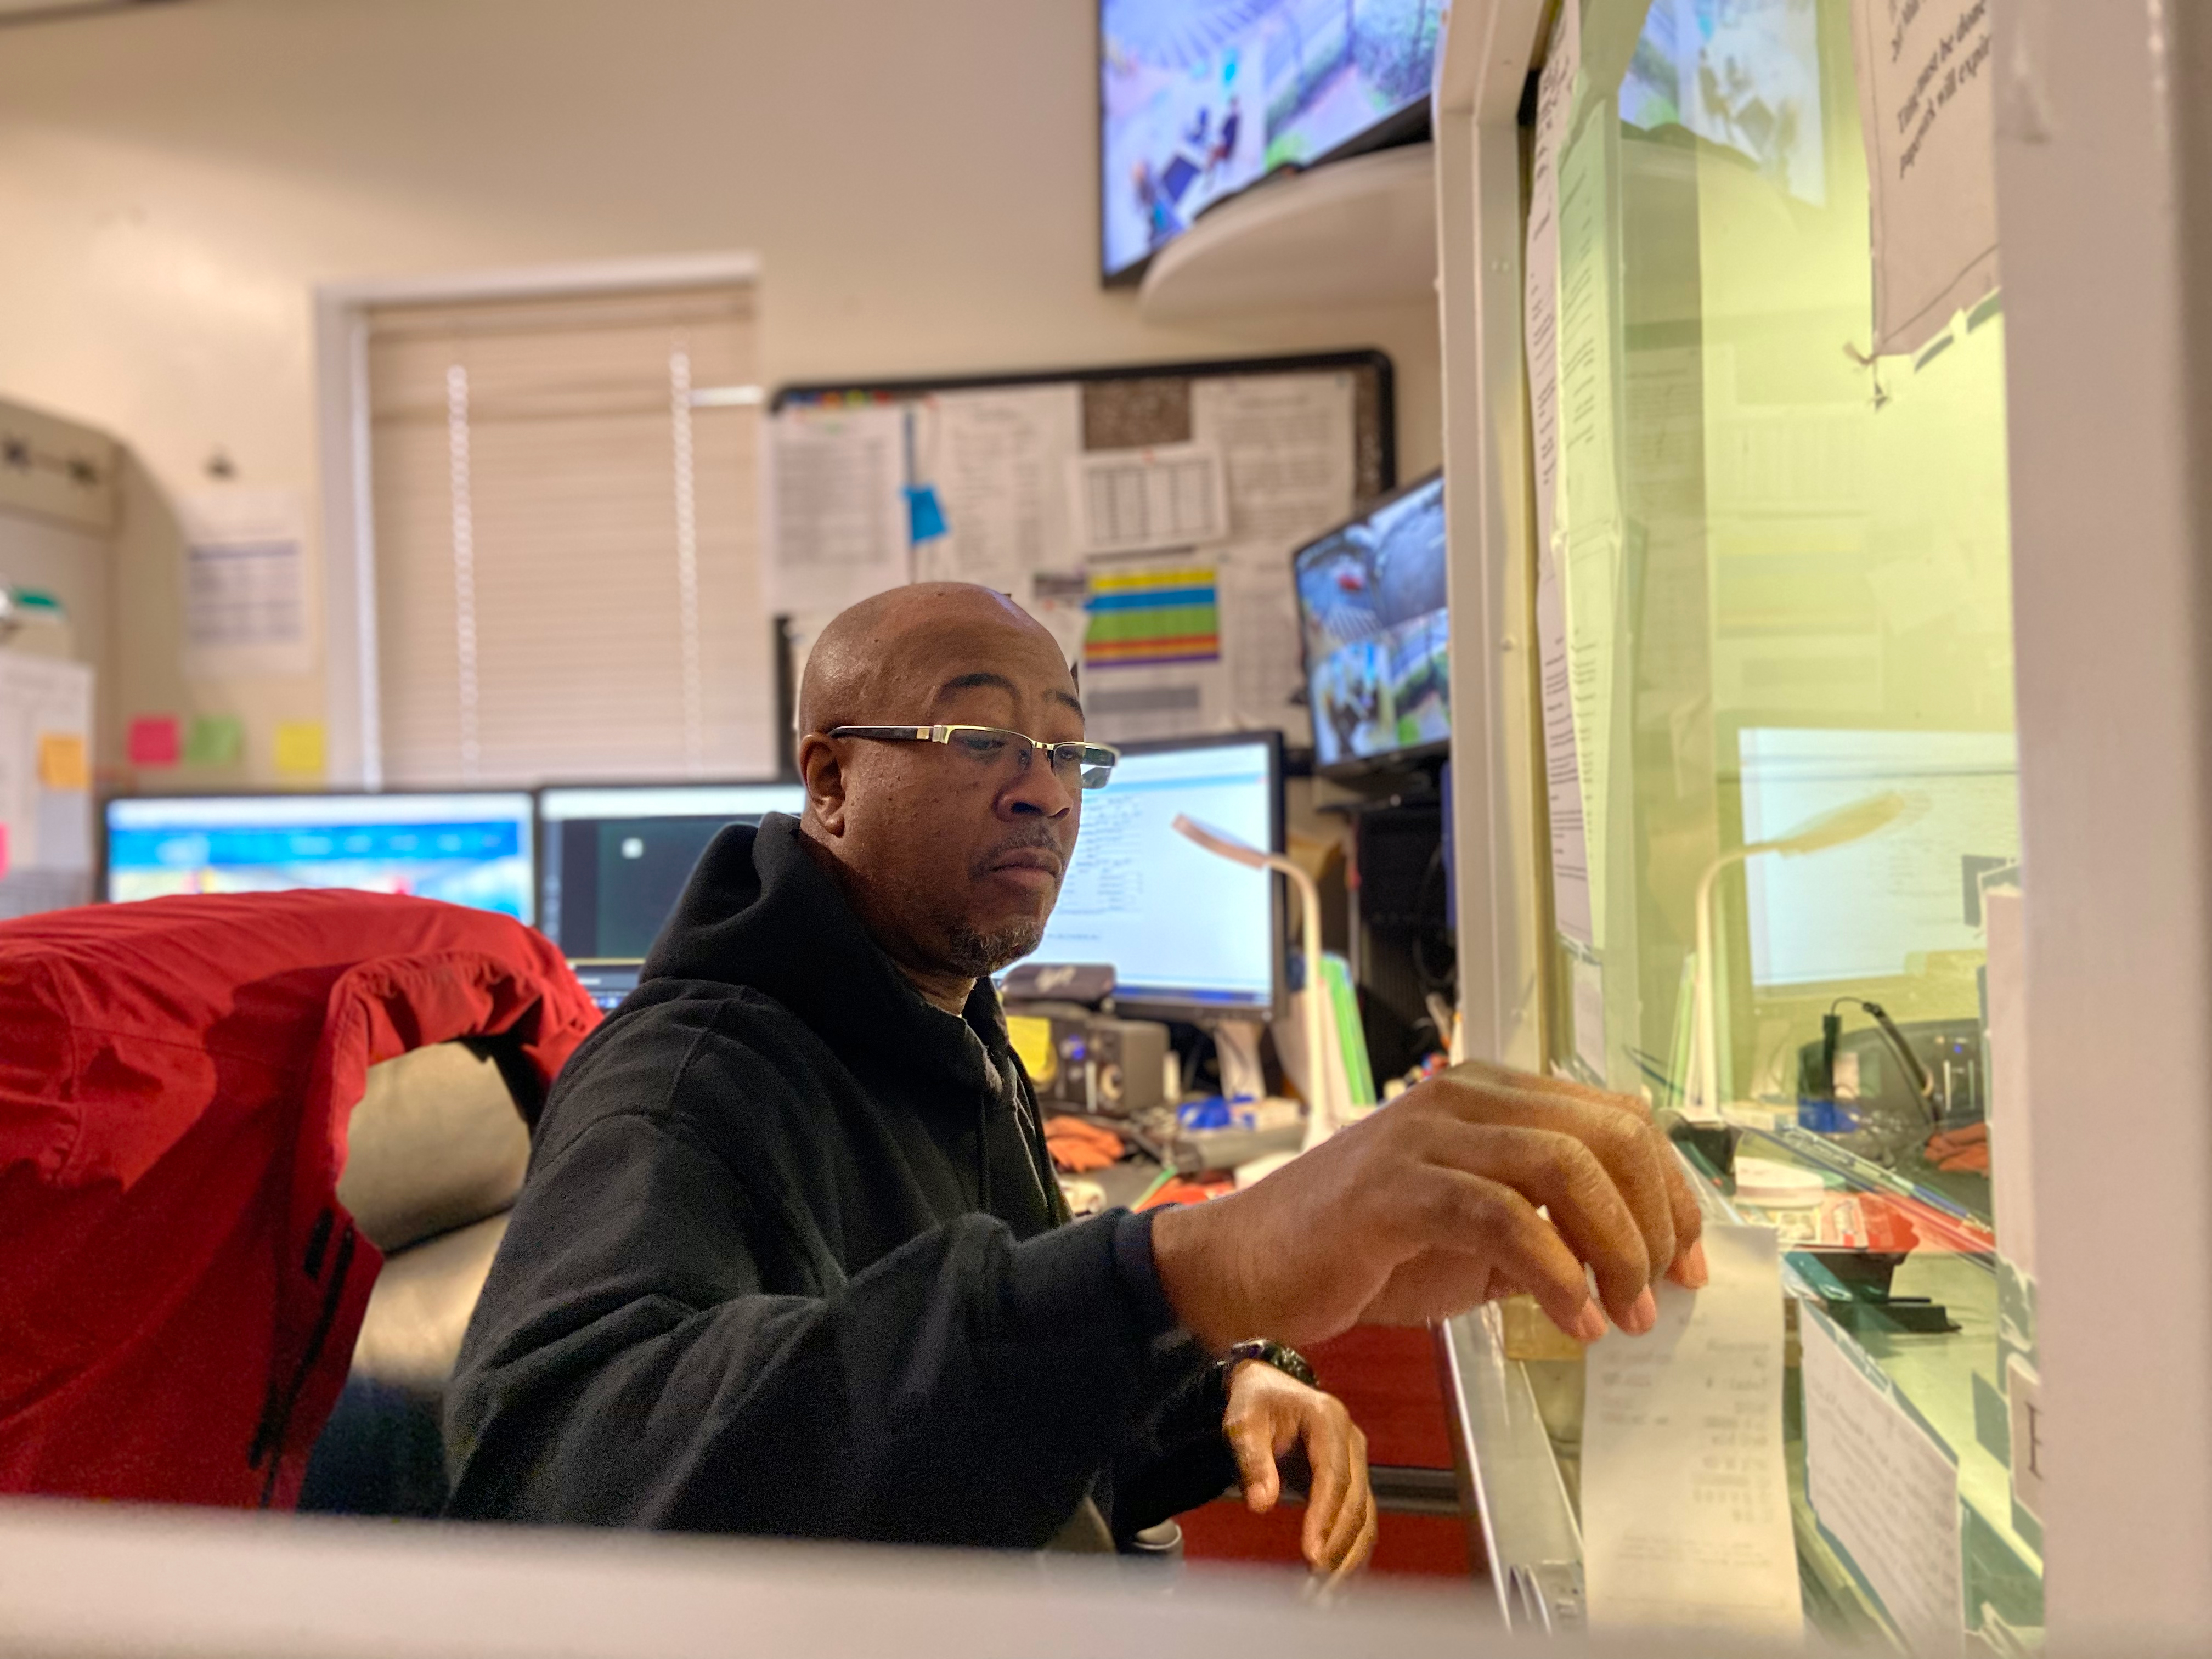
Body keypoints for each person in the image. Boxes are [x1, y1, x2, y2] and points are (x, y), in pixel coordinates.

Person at [444, 583, 1706, 1576]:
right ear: (831, 781)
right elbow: (568, 1486)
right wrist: (1200, 1264)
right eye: (983, 734)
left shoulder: (943, 1025)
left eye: (1068, 749)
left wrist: (1215, 1373)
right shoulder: (682, 1082)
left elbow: (953, 1410)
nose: (1043, 789)